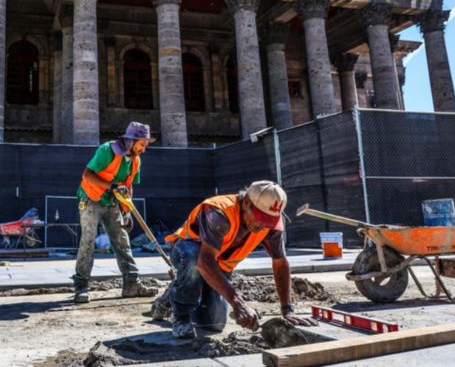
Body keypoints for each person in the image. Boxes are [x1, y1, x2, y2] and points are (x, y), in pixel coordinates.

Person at [151, 180, 317, 339]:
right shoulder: (219, 212)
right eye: (261, 218)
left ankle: (175, 294)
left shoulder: (270, 223)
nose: (264, 225)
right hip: (187, 251)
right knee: (194, 260)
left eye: (269, 221)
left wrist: (287, 310)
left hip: (220, 266)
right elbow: (205, 262)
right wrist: (239, 304)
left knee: (214, 324)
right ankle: (181, 314)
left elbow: (280, 263)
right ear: (246, 203)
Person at [72, 122, 159, 303]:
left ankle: (131, 285)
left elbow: (128, 186)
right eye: (142, 144)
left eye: (146, 145)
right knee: (87, 241)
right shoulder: (107, 151)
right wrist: (110, 187)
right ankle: (81, 286)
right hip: (91, 199)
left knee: (122, 241)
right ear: (131, 141)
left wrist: (126, 210)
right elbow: (87, 174)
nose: (144, 149)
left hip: (112, 202)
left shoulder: (135, 160)